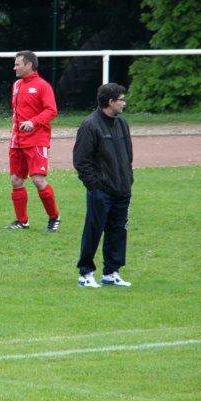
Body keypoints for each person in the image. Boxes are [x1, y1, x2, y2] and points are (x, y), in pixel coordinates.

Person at [73, 83, 133, 288]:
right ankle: (86, 273)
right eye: (121, 99)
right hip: (101, 191)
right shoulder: (90, 125)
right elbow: (81, 161)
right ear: (110, 102)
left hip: (122, 189)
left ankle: (111, 272)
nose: (124, 103)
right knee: (94, 230)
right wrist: (94, 186)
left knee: (118, 230)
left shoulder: (122, 124)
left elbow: (128, 155)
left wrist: (127, 180)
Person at [5, 50, 61, 232]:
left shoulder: (43, 86)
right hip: (17, 141)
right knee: (15, 180)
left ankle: (54, 218)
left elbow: (51, 110)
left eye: (17, 64)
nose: (14, 68)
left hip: (36, 140)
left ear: (29, 65)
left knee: (38, 180)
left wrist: (33, 122)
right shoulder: (16, 85)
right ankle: (22, 221)